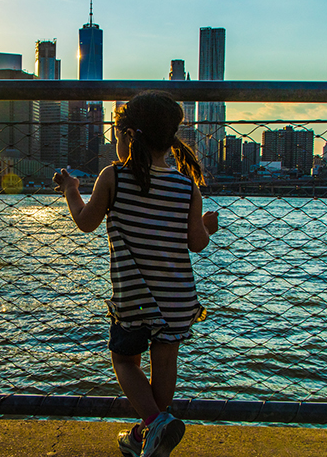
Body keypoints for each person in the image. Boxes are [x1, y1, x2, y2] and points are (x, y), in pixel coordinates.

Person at [53, 91, 218, 457]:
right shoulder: (187, 187)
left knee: (124, 361)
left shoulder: (114, 176)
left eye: (115, 133)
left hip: (135, 299)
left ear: (127, 135)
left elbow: (85, 222)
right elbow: (197, 244)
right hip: (178, 299)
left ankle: (156, 425)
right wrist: (208, 228)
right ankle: (150, 436)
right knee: (165, 364)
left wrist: (71, 190)